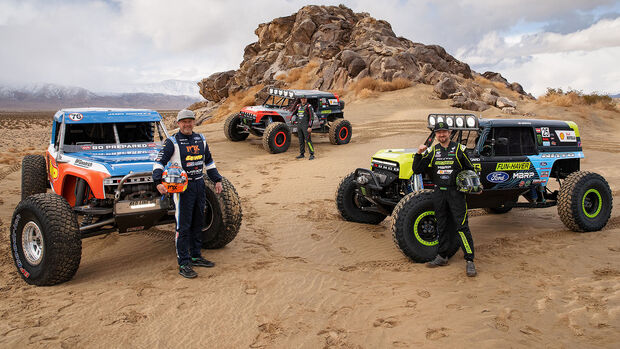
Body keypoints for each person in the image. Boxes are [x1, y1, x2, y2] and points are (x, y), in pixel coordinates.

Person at [152, 109, 223, 279]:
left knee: (198, 222)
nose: (187, 124)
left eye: (190, 121)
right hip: (182, 189)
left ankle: (196, 256)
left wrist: (217, 180)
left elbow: (209, 162)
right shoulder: (172, 142)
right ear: (178, 123)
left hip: (199, 184)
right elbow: (159, 163)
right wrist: (158, 182)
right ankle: (183, 263)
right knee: (183, 226)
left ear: (193, 122)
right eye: (184, 121)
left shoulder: (201, 139)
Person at [412, 121, 478, 277]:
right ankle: (442, 256)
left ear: (449, 133)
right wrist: (418, 154)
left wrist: (475, 186)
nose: (441, 135)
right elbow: (417, 169)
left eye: (444, 132)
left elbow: (471, 170)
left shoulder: (459, 150)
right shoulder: (433, 151)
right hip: (439, 193)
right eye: (438, 132)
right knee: (441, 225)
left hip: (456, 193)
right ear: (436, 135)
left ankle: (470, 260)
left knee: (461, 226)